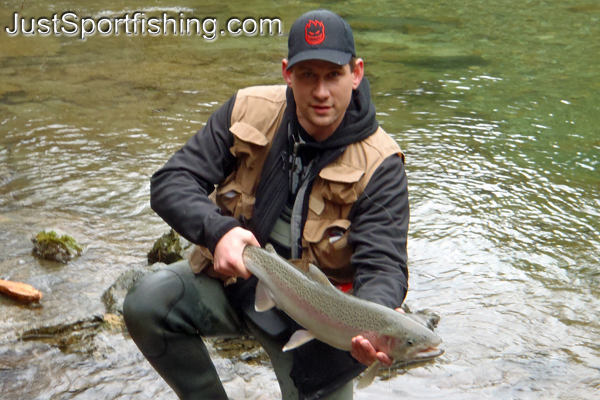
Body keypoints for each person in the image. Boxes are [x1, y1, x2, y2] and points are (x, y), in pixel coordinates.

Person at [123, 9, 409, 400]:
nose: (321, 91)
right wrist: (219, 233)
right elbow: (171, 181)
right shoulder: (247, 110)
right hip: (234, 285)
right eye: (308, 75)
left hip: (316, 321)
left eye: (333, 75)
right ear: (286, 72)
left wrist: (372, 322)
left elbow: (383, 265)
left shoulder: (381, 163)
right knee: (146, 303)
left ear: (356, 73)